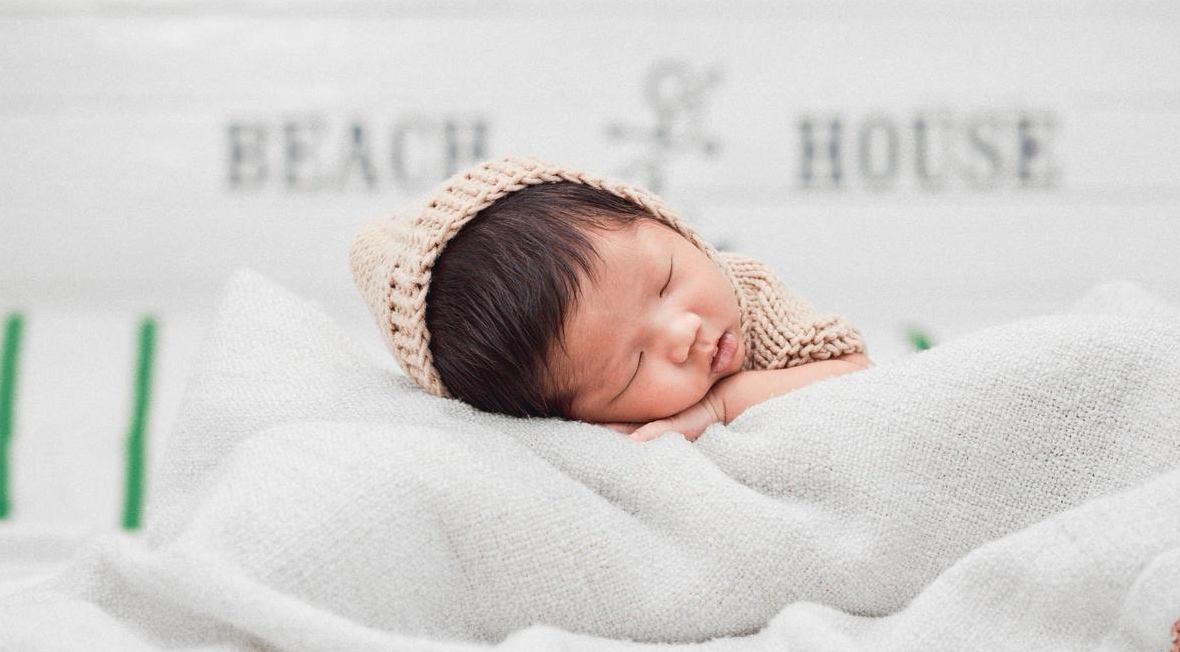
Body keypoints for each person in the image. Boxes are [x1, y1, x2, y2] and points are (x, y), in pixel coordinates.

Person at [349, 155, 871, 442]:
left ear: (663, 221)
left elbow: (858, 374)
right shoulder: (595, 441)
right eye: (633, 366)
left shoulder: (752, 297)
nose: (682, 332)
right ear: (575, 419)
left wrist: (719, 406)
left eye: (665, 281)